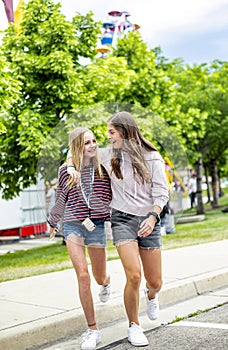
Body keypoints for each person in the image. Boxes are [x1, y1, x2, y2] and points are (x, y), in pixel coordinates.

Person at [67, 112, 169, 347]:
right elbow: (77, 154)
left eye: (111, 132)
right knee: (134, 274)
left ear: (124, 131)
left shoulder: (152, 158)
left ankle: (151, 295)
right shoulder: (108, 155)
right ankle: (134, 325)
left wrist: (153, 217)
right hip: (121, 219)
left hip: (149, 219)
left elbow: (161, 192)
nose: (108, 137)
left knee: (155, 282)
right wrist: (69, 167)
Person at [48, 127, 112, 350]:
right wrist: (53, 221)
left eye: (94, 141)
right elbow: (61, 197)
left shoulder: (102, 167)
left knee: (98, 276)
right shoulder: (66, 171)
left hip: (96, 226)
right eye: (86, 143)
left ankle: (106, 282)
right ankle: (92, 329)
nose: (92, 145)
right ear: (77, 147)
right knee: (83, 275)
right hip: (73, 225)